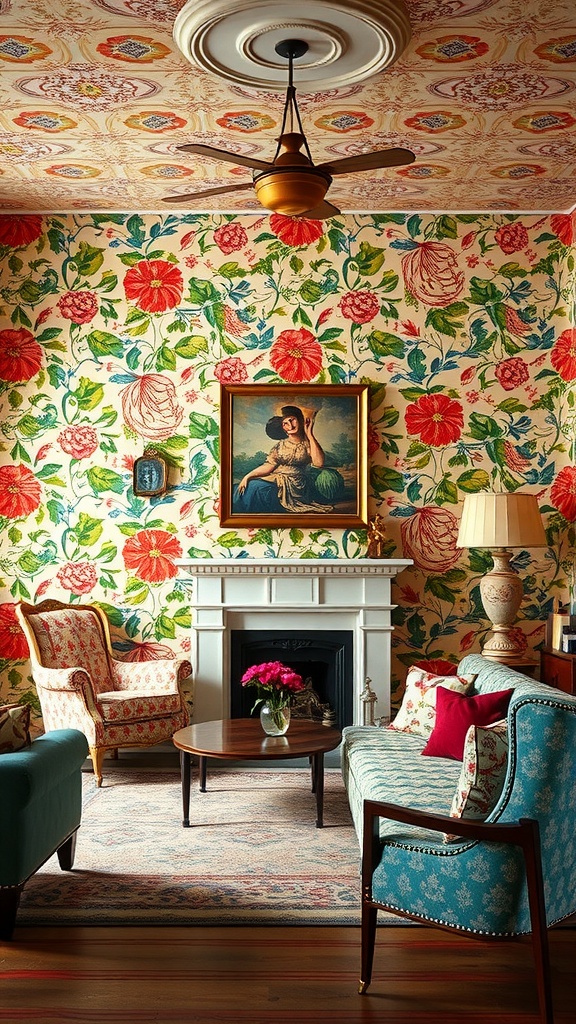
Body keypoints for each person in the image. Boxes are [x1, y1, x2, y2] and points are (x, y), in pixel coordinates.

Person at [233, 405, 332, 514]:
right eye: (285, 423)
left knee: (257, 489)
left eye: (292, 420)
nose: (290, 425)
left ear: (298, 420)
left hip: (296, 485)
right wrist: (247, 476)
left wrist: (309, 434)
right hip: (277, 479)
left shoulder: (307, 444)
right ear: (282, 427)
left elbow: (319, 463)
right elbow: (268, 466)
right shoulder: (280, 446)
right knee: (242, 487)